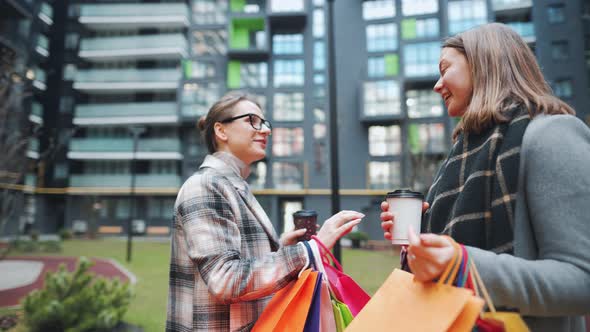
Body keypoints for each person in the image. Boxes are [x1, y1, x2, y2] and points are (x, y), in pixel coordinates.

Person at [381, 23, 590, 331]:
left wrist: (464, 265)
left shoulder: (553, 135)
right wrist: (422, 243)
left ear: (483, 62)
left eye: (445, 69)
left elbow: (581, 281)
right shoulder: (460, 155)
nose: (438, 85)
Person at [166, 92, 363, 331]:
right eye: (252, 120)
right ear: (221, 131)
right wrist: (311, 249)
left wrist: (280, 247)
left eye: (265, 123)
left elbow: (235, 260)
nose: (266, 130)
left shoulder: (233, 185)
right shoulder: (206, 186)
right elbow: (225, 279)